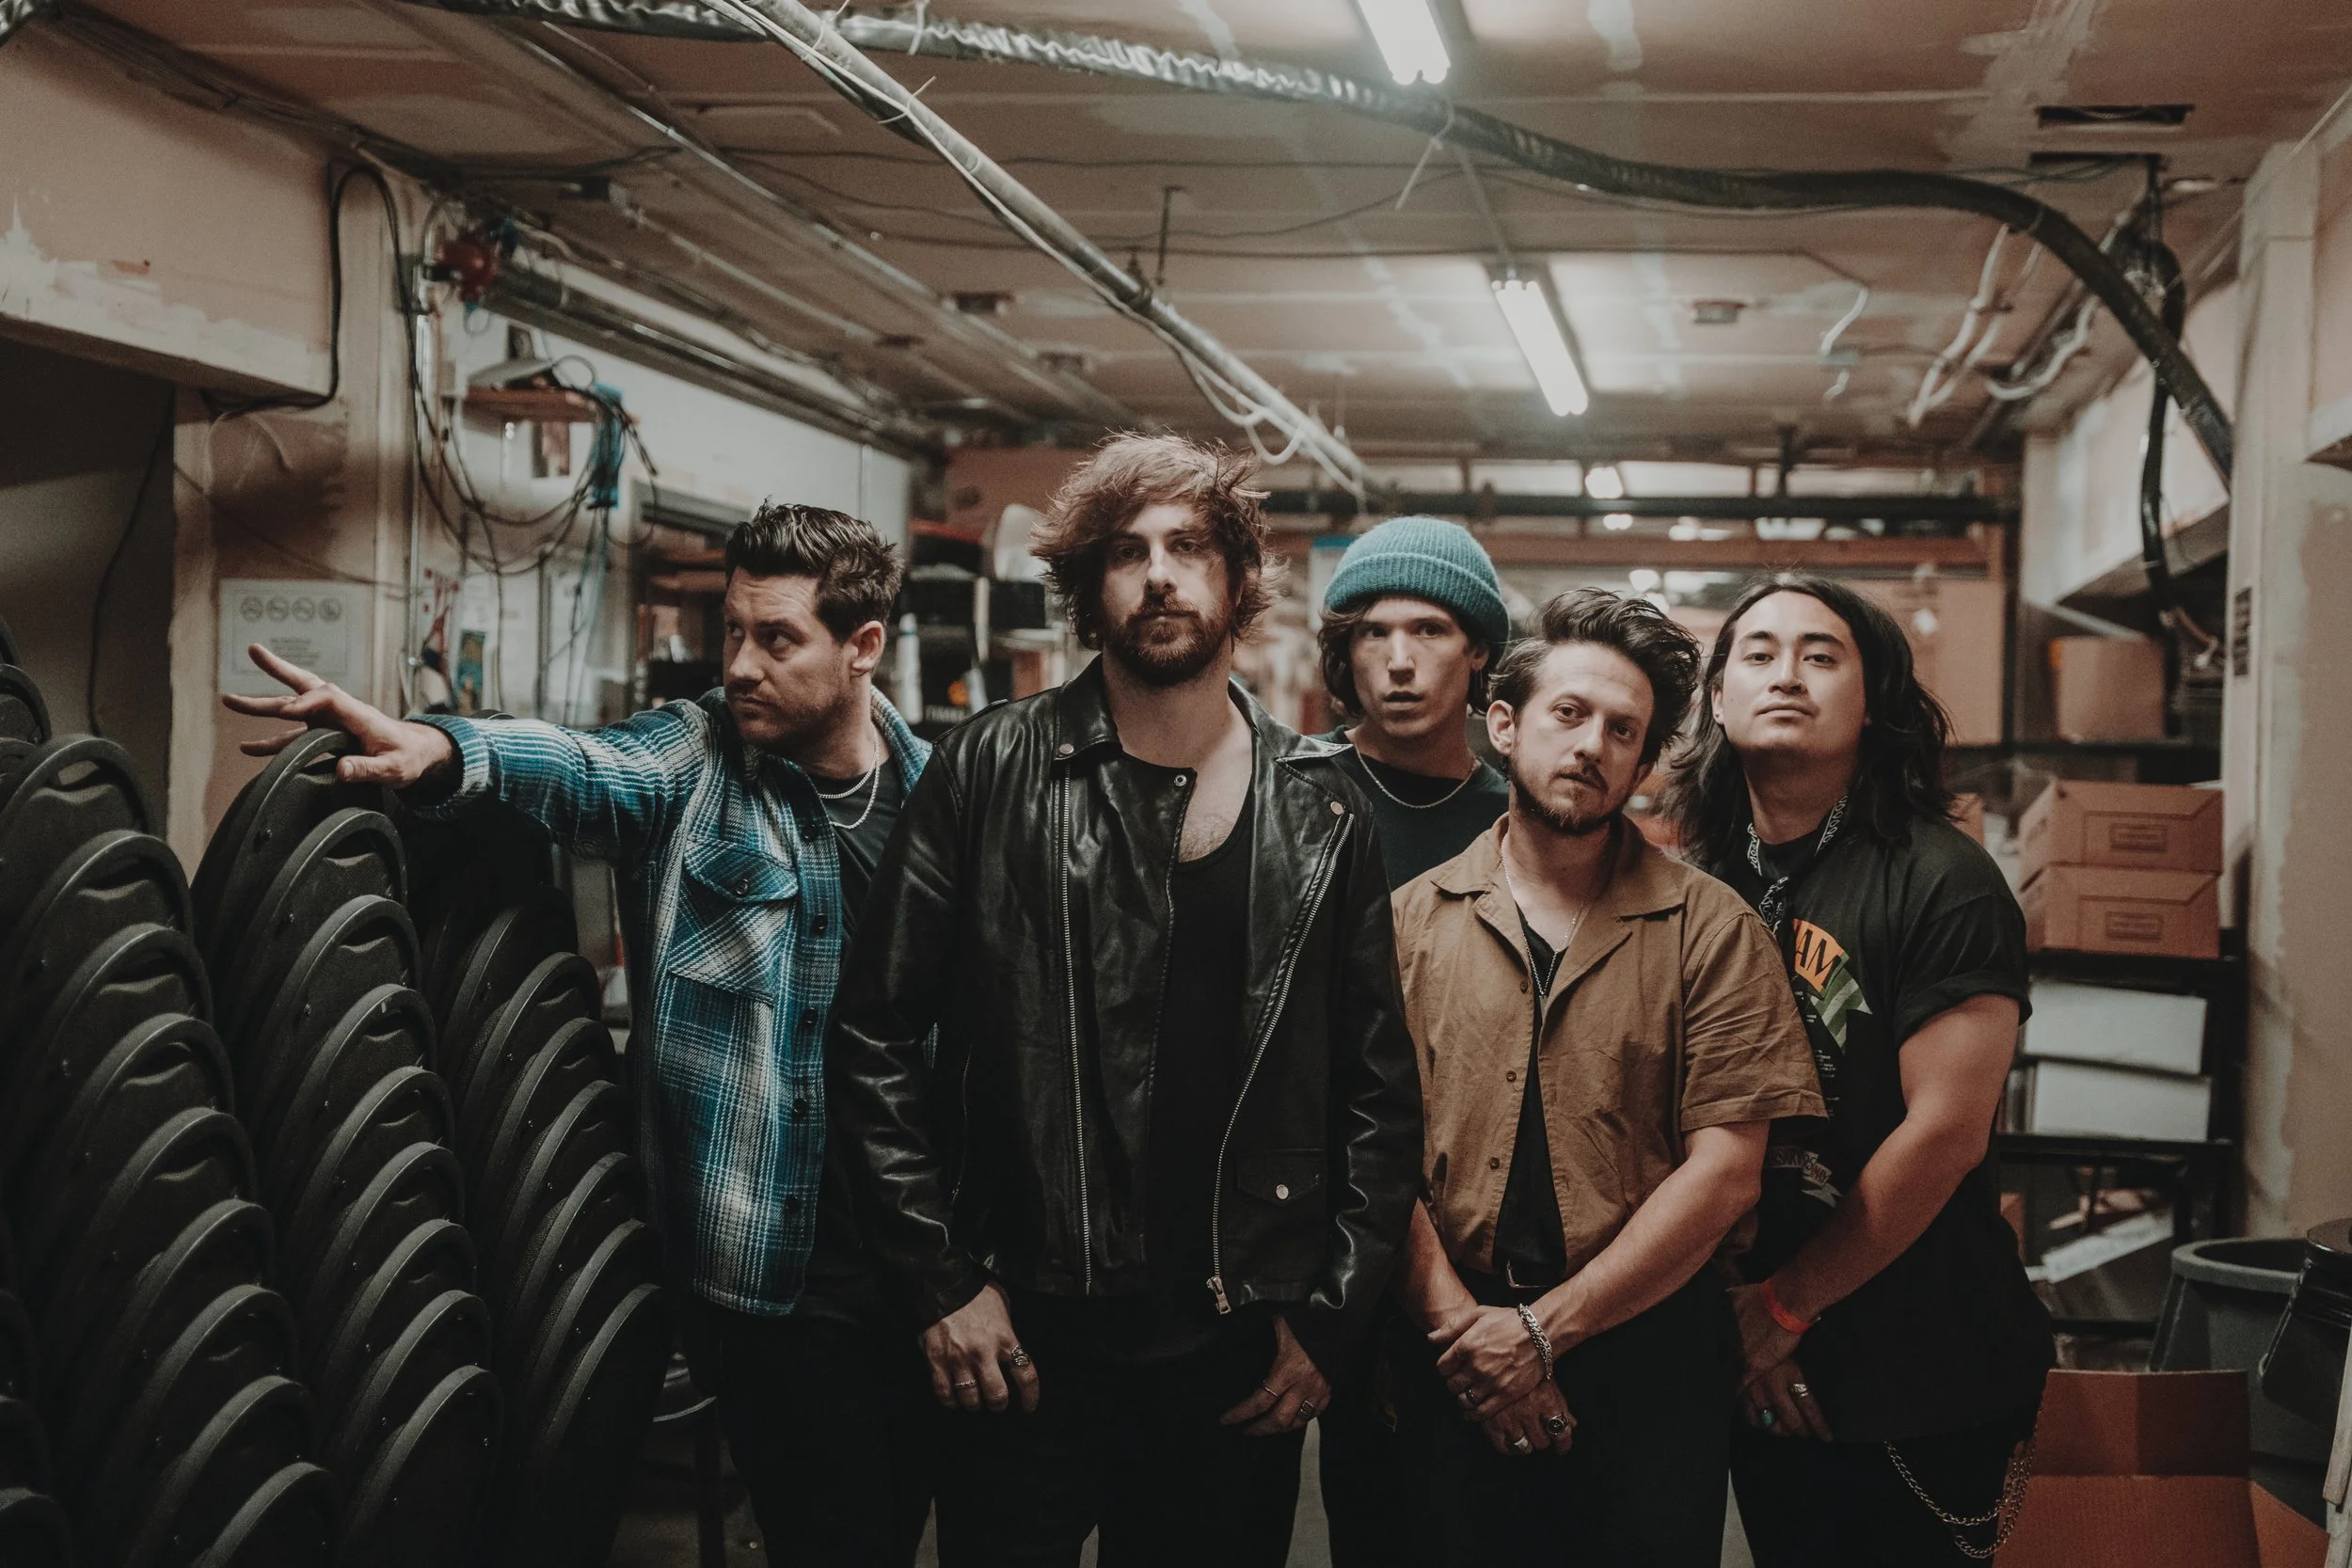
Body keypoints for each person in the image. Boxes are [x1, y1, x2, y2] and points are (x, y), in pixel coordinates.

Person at [224, 503, 940, 1568]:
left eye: (776, 637)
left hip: (925, 1271)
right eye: (730, 631)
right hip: (769, 1280)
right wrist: (438, 746)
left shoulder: (942, 798)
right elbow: (584, 765)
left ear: (863, 647)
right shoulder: (696, 758)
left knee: (901, 1523)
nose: (738, 664)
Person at [822, 434, 1422, 1568]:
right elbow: (871, 1035)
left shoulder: (1322, 804)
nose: (1159, 574)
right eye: (1127, 551)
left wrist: (1331, 1318)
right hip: (1019, 1337)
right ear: (1087, 591)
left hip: (1233, 1345)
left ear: (1238, 581)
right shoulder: (989, 767)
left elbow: (1377, 1091)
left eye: (1190, 546)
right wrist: (940, 1281)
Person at [1387, 587, 1823, 1568]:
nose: (1590, 746)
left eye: (1622, 729)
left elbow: (1726, 1172)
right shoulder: (1407, 924)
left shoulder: (1711, 928)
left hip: (1648, 1358)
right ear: (1503, 723)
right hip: (1448, 1342)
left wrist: (1540, 1334)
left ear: (1643, 758)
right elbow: (1370, 1148)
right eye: (1568, 714)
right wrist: (1470, 1332)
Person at [1666, 573, 2053, 1567]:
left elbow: (1944, 1134)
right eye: (1755, 653)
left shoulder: (1941, 878)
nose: (1784, 673)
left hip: (1917, 1359)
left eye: (1819, 653)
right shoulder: (1701, 881)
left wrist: (1783, 1305)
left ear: (1871, 698)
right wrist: (1737, 1316)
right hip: (1755, 1344)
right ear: (1715, 696)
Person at [1311, 515, 1511, 1566]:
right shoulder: (1290, 801)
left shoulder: (1519, 822)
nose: (1396, 658)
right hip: (1325, 1232)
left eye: (1429, 629)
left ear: (1479, 653)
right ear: (1341, 652)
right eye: (1372, 631)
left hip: (1475, 1224)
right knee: (1373, 1517)